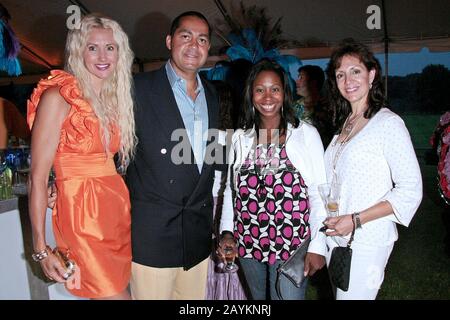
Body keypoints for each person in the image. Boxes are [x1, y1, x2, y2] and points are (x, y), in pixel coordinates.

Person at [27, 14, 136, 299]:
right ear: (78, 51)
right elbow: (37, 177)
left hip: (114, 211)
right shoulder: (58, 97)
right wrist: (40, 248)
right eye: (92, 47)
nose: (103, 56)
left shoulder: (112, 101)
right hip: (82, 216)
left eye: (110, 48)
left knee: (117, 289)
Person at [126, 11, 219, 300]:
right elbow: (109, 149)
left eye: (202, 39)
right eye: (185, 36)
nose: (194, 45)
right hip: (152, 236)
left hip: (197, 236)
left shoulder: (214, 94)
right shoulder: (136, 88)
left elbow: (210, 159)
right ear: (169, 41)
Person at [218, 59, 327, 300]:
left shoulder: (305, 135)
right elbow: (231, 191)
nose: (268, 97)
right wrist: (227, 231)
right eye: (260, 89)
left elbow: (320, 192)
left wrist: (319, 245)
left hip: (292, 243)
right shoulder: (240, 138)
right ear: (251, 94)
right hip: (249, 239)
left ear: (284, 93)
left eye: (274, 89)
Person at [323, 39, 422, 299]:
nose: (348, 80)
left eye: (355, 71)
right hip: (337, 238)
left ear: (372, 74)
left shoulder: (388, 123)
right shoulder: (344, 125)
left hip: (367, 240)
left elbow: (410, 189)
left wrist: (355, 220)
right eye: (340, 75)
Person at [205, 80, 247, 300]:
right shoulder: (238, 137)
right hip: (231, 205)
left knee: (215, 262)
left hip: (213, 204)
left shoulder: (207, 137)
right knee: (228, 260)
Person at [294, 65, 334, 148]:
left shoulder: (329, 108)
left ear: (313, 82)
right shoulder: (293, 107)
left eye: (301, 77)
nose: (296, 81)